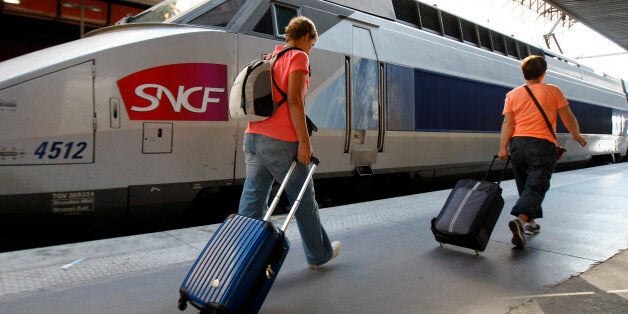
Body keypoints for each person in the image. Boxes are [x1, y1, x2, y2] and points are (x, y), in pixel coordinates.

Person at [237, 16, 341, 268]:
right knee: (303, 200)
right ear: (306, 36)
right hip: (280, 141)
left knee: (252, 200)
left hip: (253, 137)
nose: (310, 49)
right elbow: (295, 101)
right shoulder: (298, 57)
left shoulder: (271, 58)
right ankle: (319, 254)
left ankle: (241, 257)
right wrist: (304, 143)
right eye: (312, 44)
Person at [498, 55, 587, 249]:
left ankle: (531, 224)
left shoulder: (512, 94)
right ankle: (520, 221)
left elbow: (508, 123)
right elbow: (568, 117)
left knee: (525, 185)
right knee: (537, 187)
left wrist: (503, 147)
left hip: (517, 145)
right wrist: (577, 135)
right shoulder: (553, 91)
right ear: (544, 73)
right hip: (542, 145)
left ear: (524, 73)